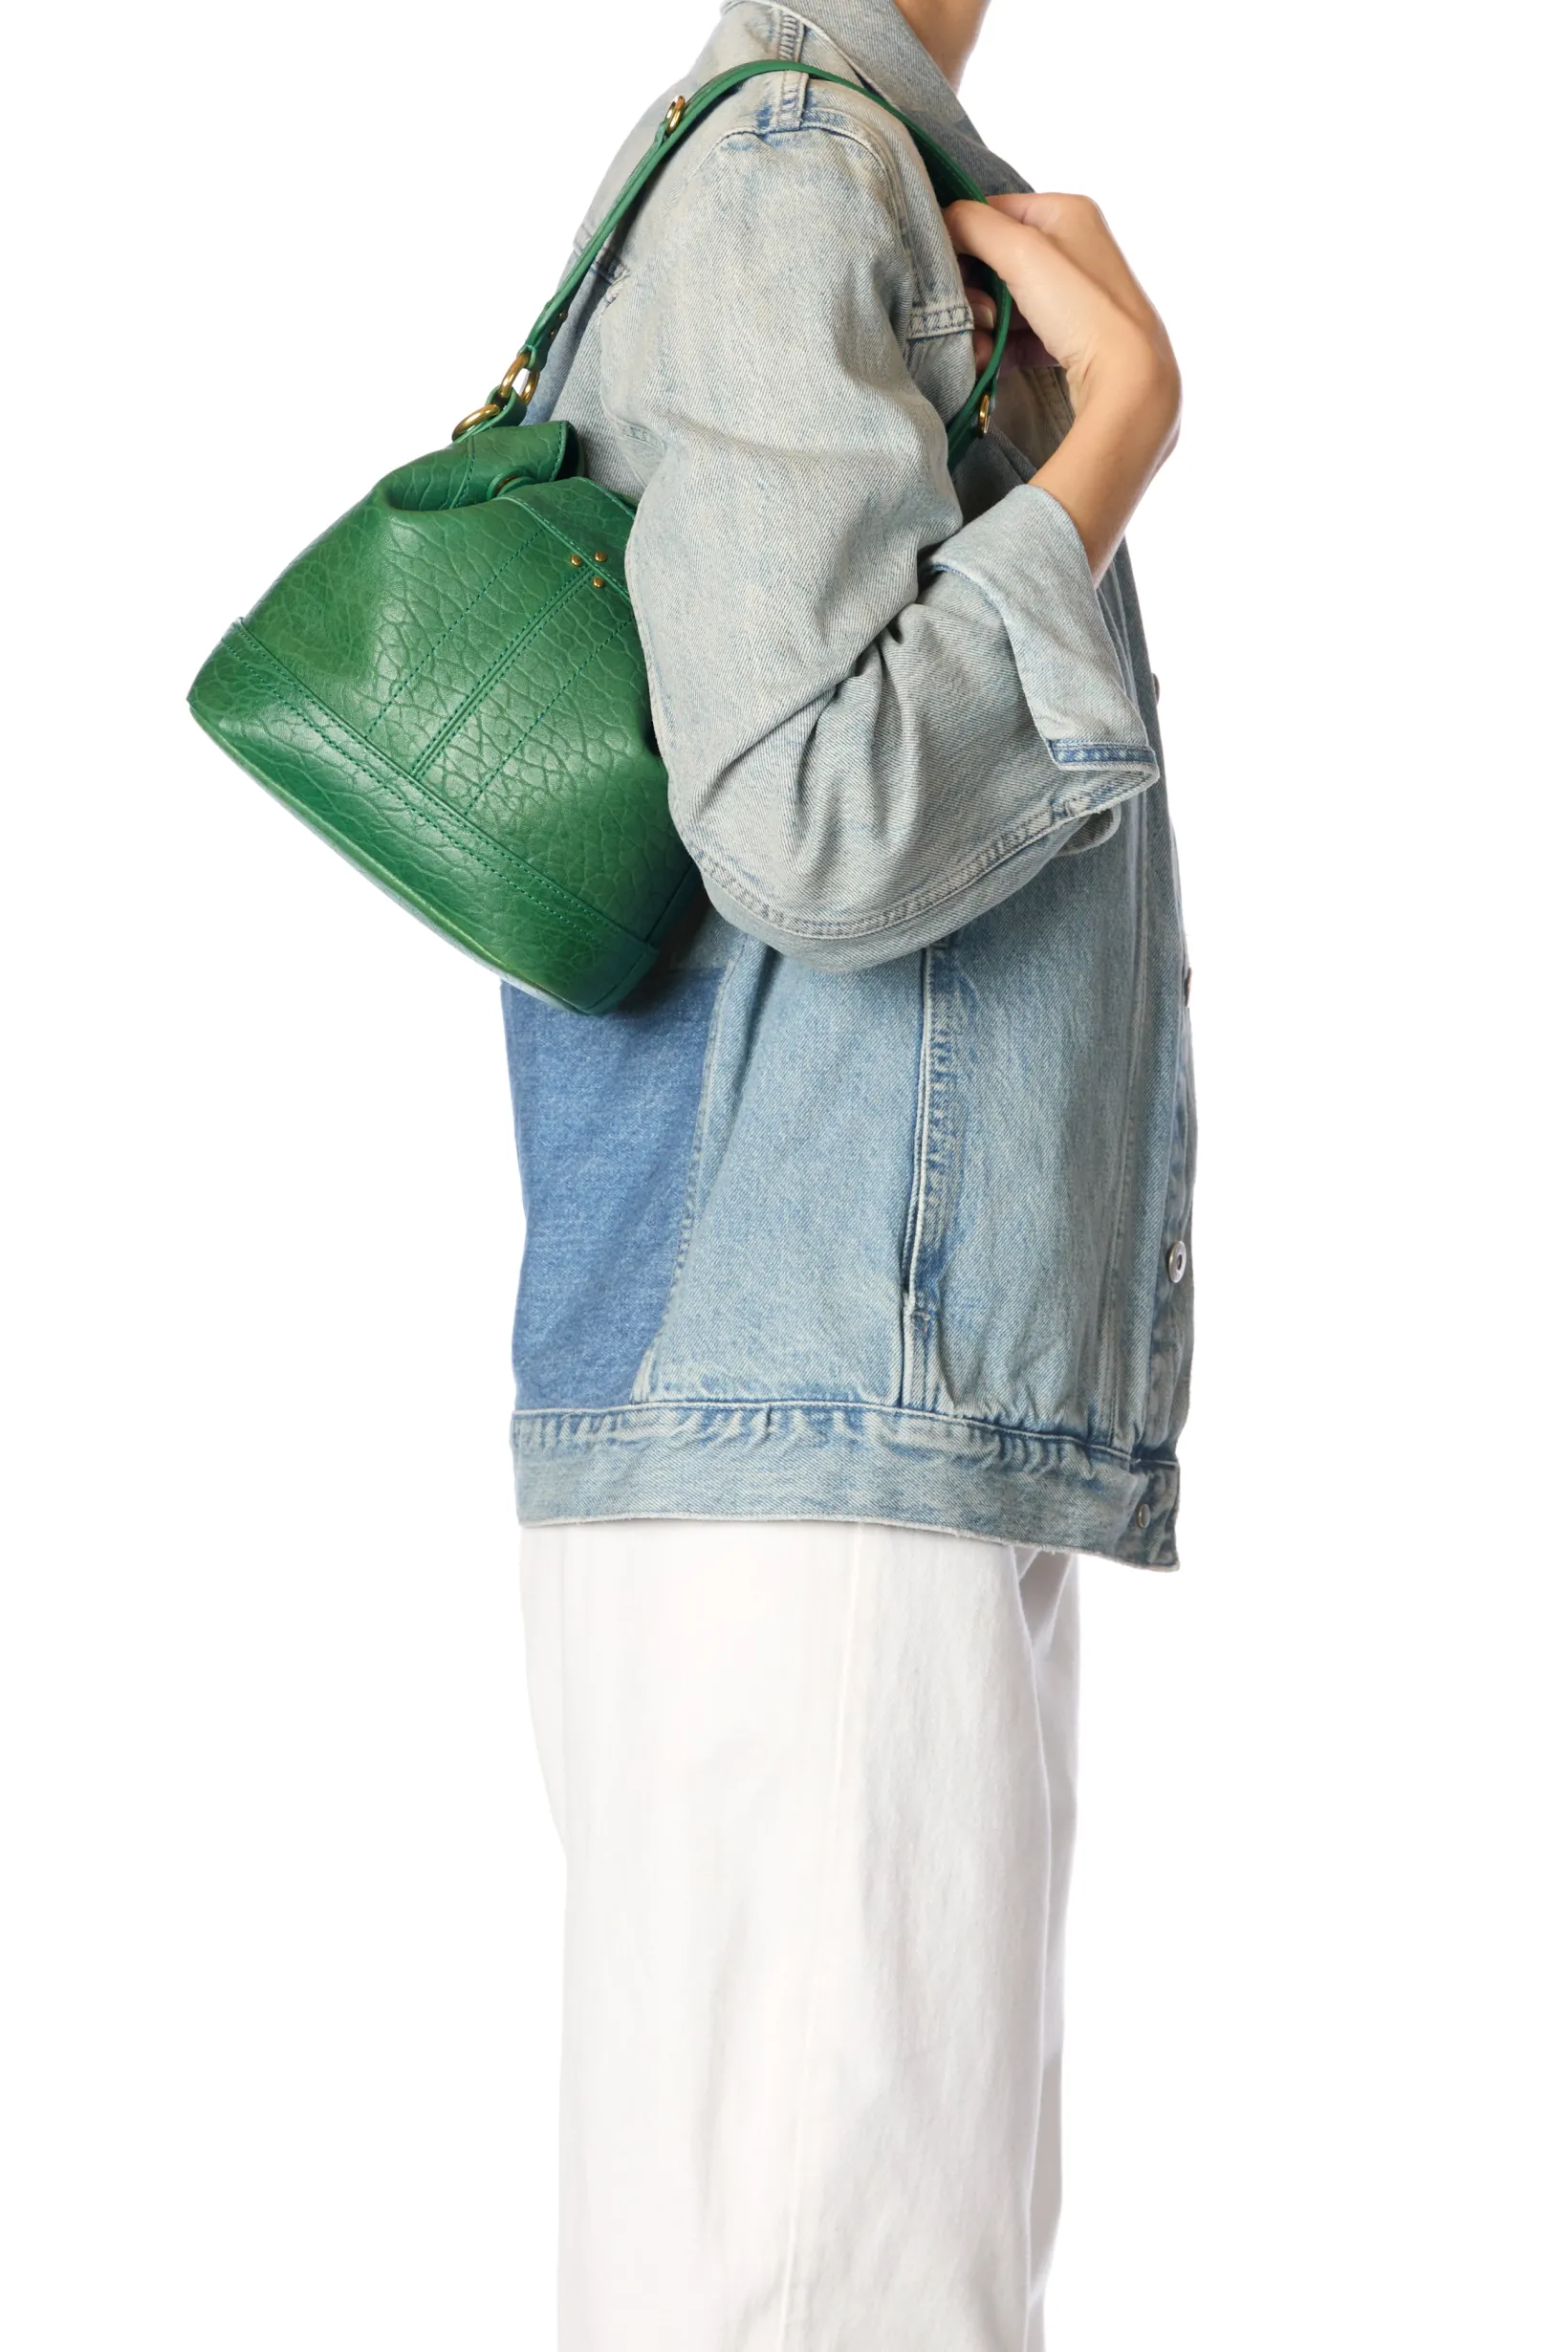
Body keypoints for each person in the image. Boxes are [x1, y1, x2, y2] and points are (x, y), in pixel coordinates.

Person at [504, 1, 1191, 2343]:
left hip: (826, 1406)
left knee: (812, 2272)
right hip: (823, 1418)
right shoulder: (798, 164)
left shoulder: (815, 159)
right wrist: (1111, 441)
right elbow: (813, 818)